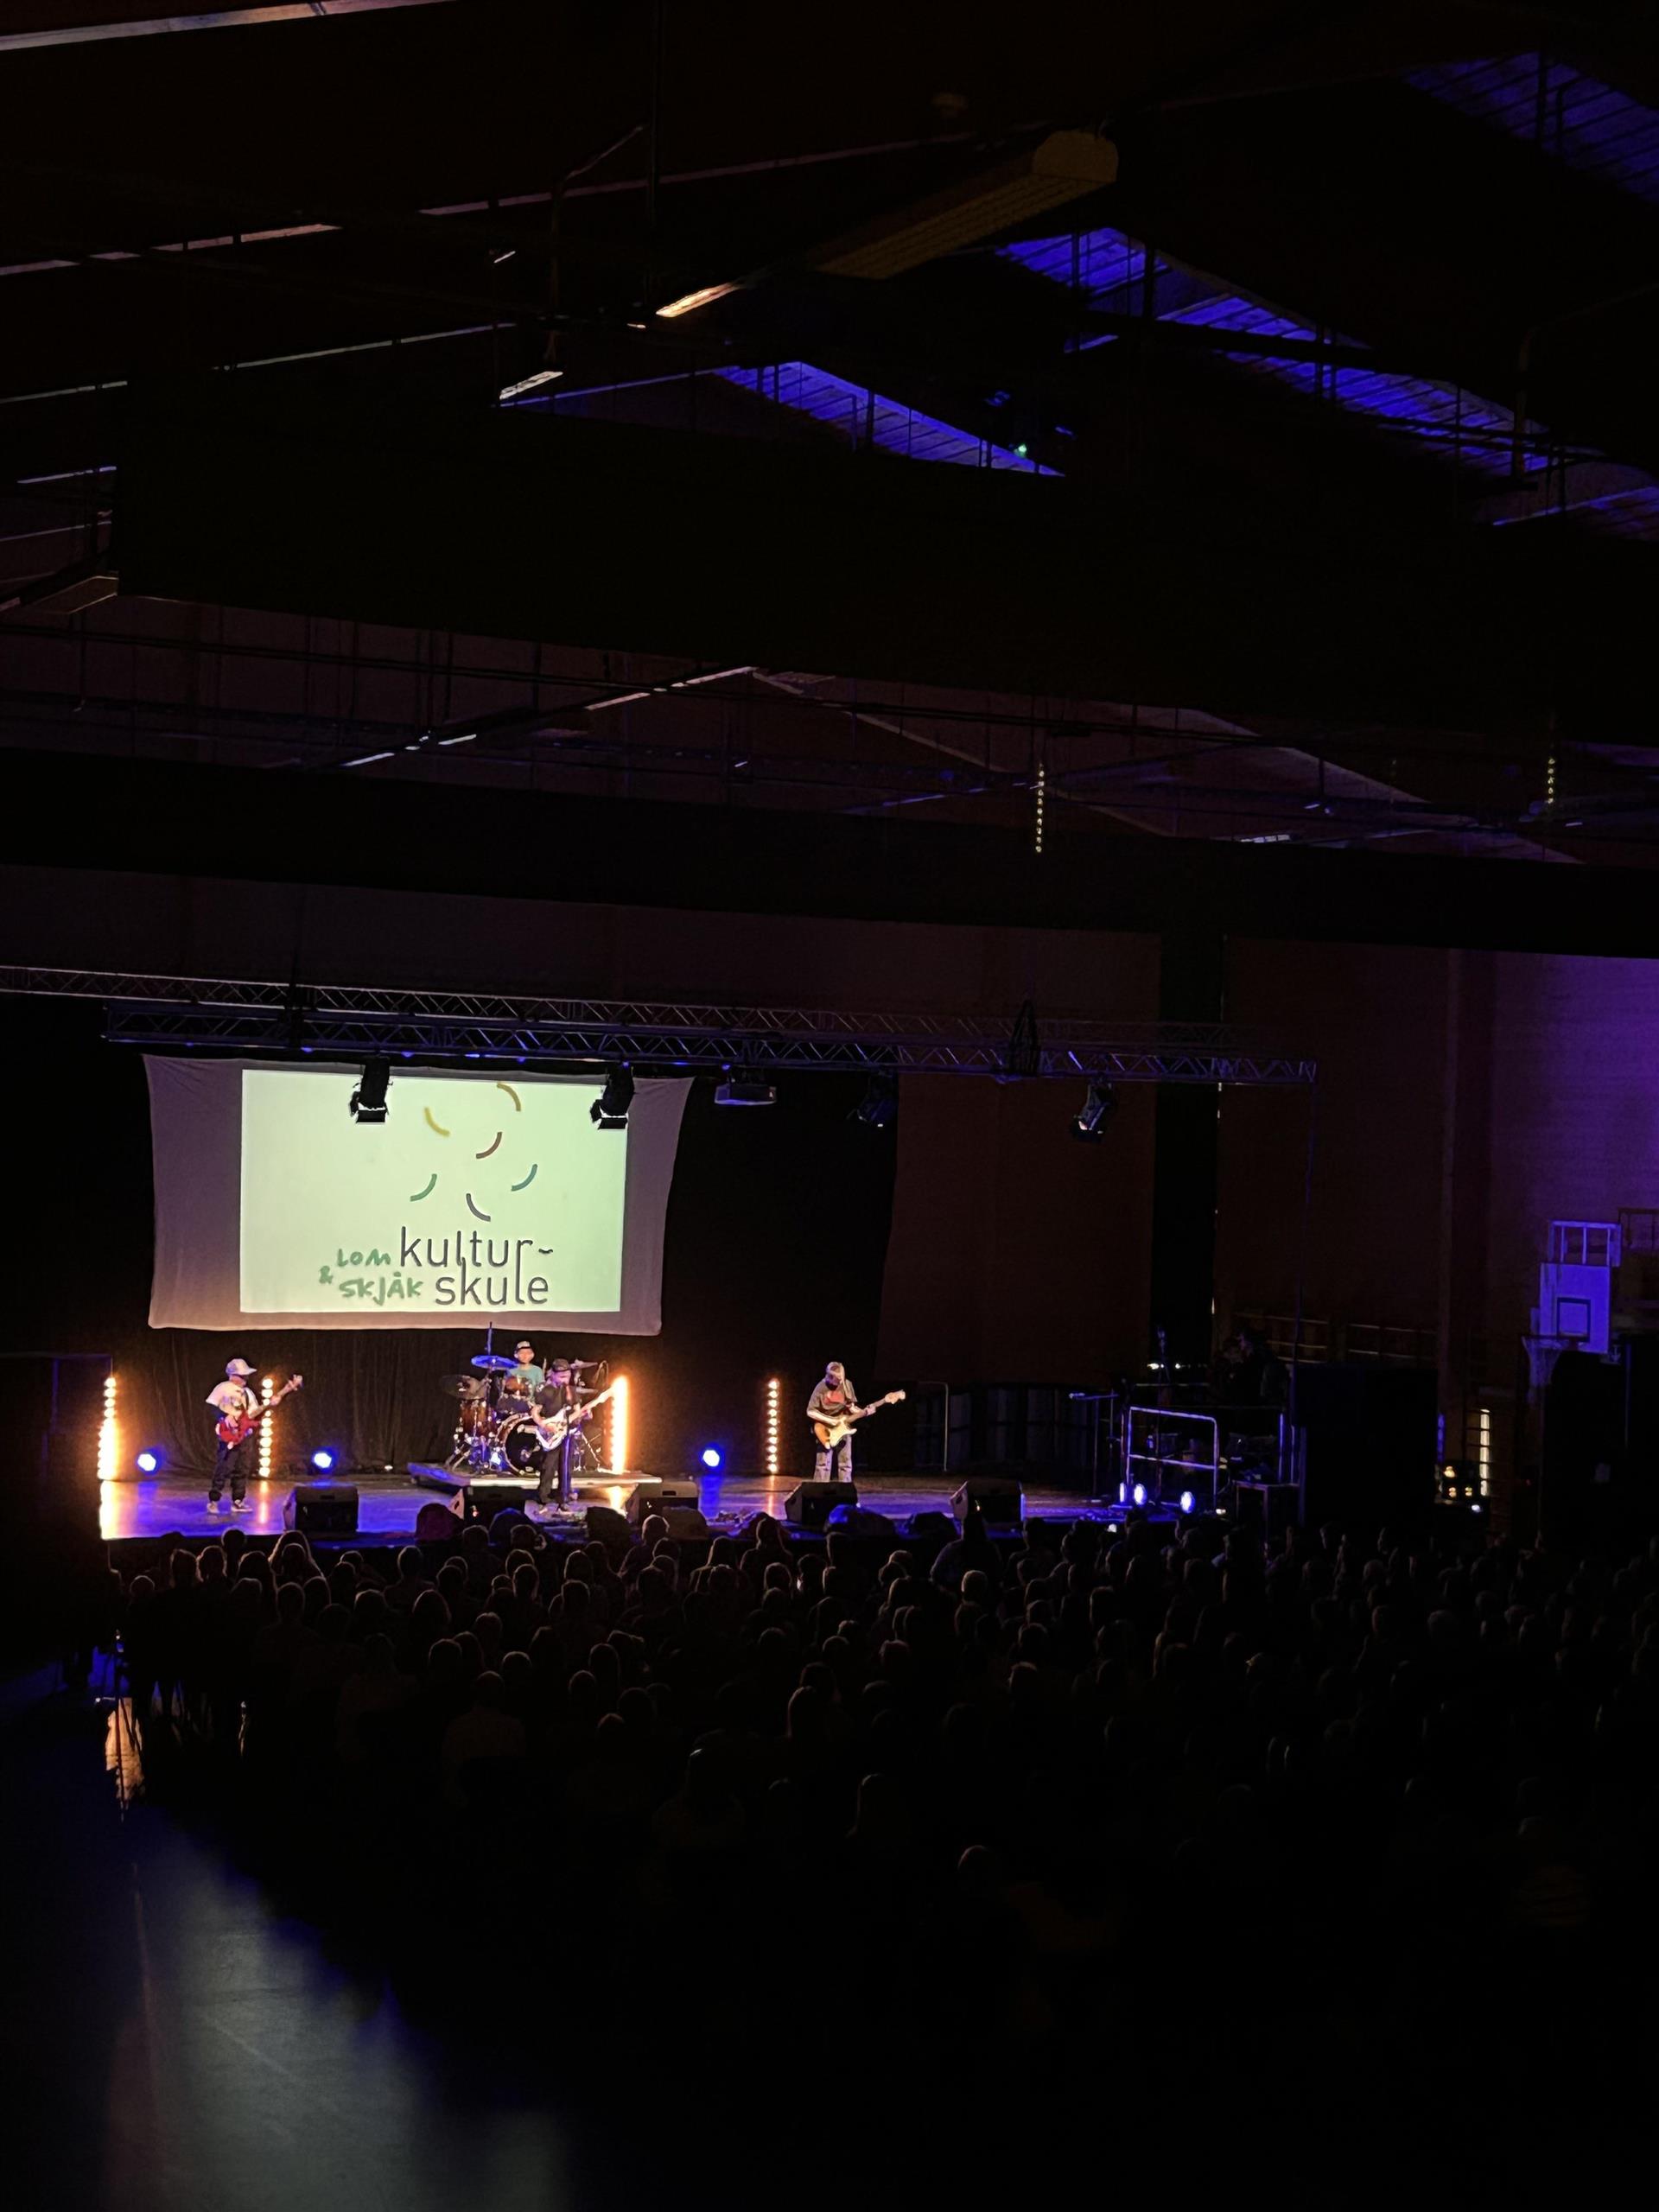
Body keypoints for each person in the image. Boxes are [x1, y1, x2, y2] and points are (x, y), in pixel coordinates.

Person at [206, 1357, 261, 1515]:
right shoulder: (223, 1388)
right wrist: (224, 1416)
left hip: (245, 1435)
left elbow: (253, 1413)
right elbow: (211, 1407)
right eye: (242, 1375)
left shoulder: (249, 1393)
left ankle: (238, 1500)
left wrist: (270, 1405)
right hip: (228, 1436)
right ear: (233, 1375)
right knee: (224, 1467)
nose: (246, 1378)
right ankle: (214, 1500)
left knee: (242, 1468)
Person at [806, 1361, 861, 1484]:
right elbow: (810, 1411)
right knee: (823, 1464)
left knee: (845, 1463)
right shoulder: (821, 1388)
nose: (840, 1382)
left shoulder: (847, 1385)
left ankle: (845, 1492)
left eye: (842, 1378)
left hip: (843, 1428)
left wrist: (863, 1411)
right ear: (829, 1377)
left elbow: (851, 1407)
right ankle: (819, 1492)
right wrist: (830, 1420)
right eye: (837, 1379)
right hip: (825, 1429)